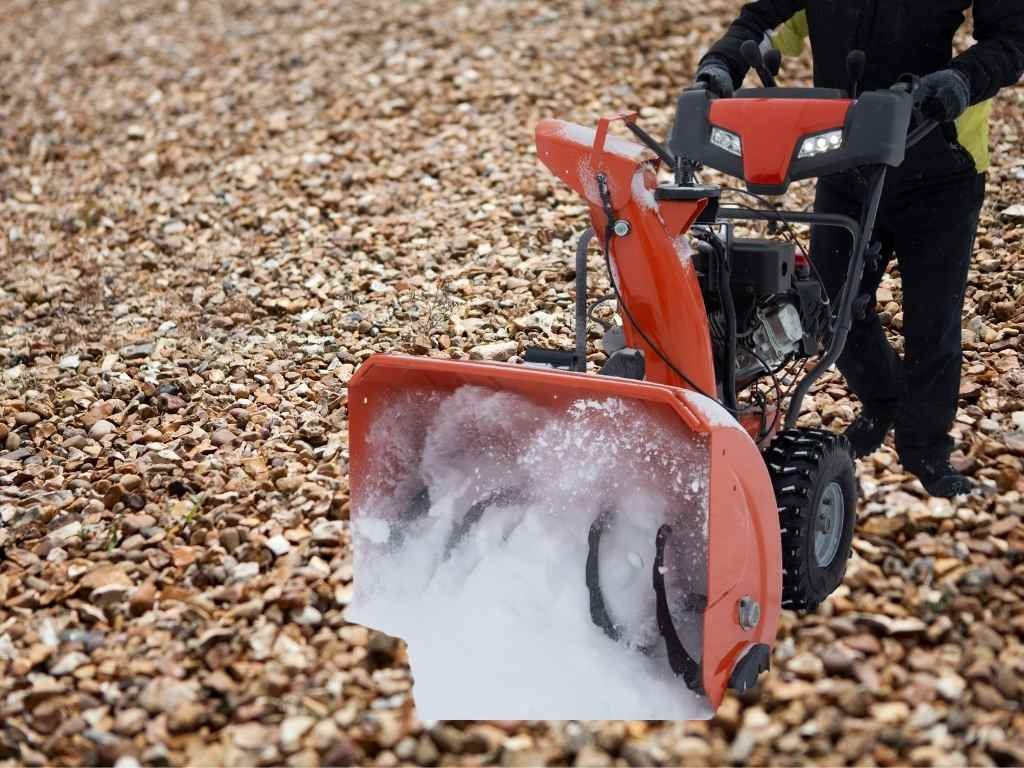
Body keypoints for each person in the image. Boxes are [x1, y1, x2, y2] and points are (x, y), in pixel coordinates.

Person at [695, 2, 1024, 498]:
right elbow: (766, 23)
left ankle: (925, 451)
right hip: (843, 156)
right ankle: (883, 397)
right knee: (829, 310)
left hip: (942, 161)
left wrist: (961, 79)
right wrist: (723, 64)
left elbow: (1011, 41)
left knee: (932, 323)